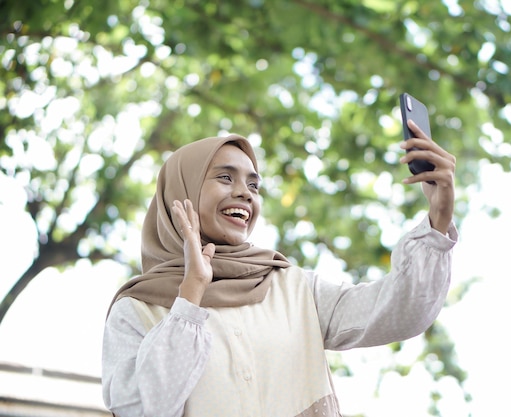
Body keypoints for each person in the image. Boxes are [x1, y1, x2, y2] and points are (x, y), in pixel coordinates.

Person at [101, 118, 457, 417]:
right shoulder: (136, 309)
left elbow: (397, 310)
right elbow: (141, 408)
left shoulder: (293, 288)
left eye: (254, 184)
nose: (245, 193)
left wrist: (438, 221)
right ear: (181, 193)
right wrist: (191, 291)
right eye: (225, 178)